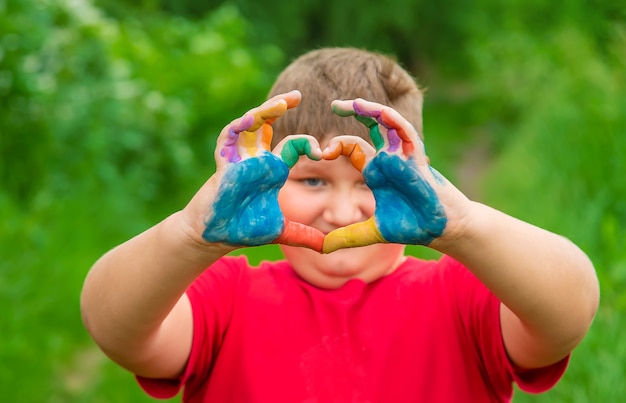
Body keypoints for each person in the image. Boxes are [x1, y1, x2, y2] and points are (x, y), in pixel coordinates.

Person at [80, 47, 599, 402]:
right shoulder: (225, 298)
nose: (342, 212)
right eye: (312, 182)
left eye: (371, 183)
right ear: (268, 183)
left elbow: (570, 310)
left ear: (415, 184)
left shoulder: (462, 296)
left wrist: (461, 225)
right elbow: (114, 327)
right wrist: (190, 234)